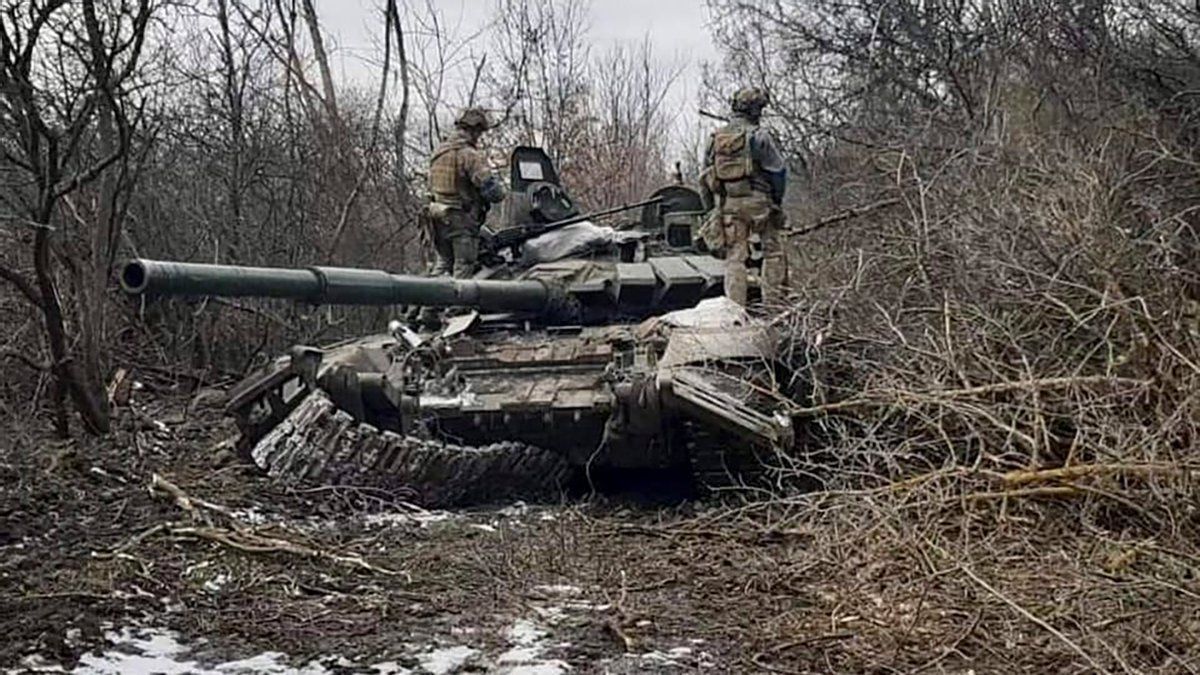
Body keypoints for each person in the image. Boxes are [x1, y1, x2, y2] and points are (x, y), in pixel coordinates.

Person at [701, 87, 789, 306]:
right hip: (760, 202)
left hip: (730, 204)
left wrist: (711, 209)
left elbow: (704, 178)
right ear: (756, 110)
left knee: (735, 258)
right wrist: (776, 202)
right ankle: (773, 306)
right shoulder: (759, 137)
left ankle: (734, 309)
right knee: (773, 252)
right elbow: (779, 172)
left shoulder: (716, 139)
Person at [427, 107, 506, 279]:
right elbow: (493, 192)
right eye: (479, 132)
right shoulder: (469, 155)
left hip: (438, 219)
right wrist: (502, 192)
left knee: (441, 268)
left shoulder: (438, 153)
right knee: (463, 273)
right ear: (474, 130)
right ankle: (457, 307)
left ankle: (427, 306)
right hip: (461, 222)